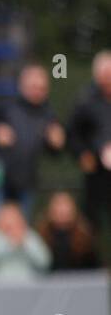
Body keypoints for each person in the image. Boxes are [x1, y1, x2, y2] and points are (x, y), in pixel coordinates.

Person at [0, 64, 65, 235]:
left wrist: (57, 142)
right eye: (33, 86)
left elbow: (54, 151)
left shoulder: (47, 114)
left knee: (21, 229)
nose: (37, 91)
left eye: (41, 88)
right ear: (22, 85)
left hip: (26, 179)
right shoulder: (6, 104)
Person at [67, 51, 111, 239]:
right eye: (105, 73)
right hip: (96, 173)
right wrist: (83, 154)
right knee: (92, 221)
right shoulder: (85, 101)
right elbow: (73, 133)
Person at [0, 201, 51, 280]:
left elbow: (44, 262)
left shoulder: (30, 236)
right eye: (7, 217)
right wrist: (8, 245)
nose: (10, 221)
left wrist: (24, 244)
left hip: (26, 288)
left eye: (14, 217)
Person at [35, 191, 102, 271]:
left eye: (65, 205)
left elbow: (95, 268)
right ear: (50, 210)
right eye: (58, 205)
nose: (62, 210)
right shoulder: (39, 238)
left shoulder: (85, 238)